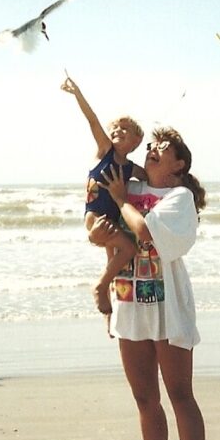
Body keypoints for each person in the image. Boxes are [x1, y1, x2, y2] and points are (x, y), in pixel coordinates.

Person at [92, 126, 207, 440]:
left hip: (168, 307)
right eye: (153, 144)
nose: (153, 148)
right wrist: (97, 232)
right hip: (129, 301)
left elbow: (144, 232)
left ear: (180, 164)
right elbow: (104, 221)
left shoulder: (179, 197)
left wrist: (122, 200)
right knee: (145, 398)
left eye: (164, 147)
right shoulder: (133, 186)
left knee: (180, 395)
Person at [61, 74, 146, 321]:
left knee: (114, 265)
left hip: (112, 219)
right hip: (96, 217)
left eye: (125, 129)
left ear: (136, 141)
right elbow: (92, 120)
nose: (117, 130)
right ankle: (99, 288)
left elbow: (152, 176)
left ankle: (110, 317)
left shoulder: (131, 168)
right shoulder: (104, 151)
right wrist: (77, 92)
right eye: (115, 128)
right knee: (128, 249)